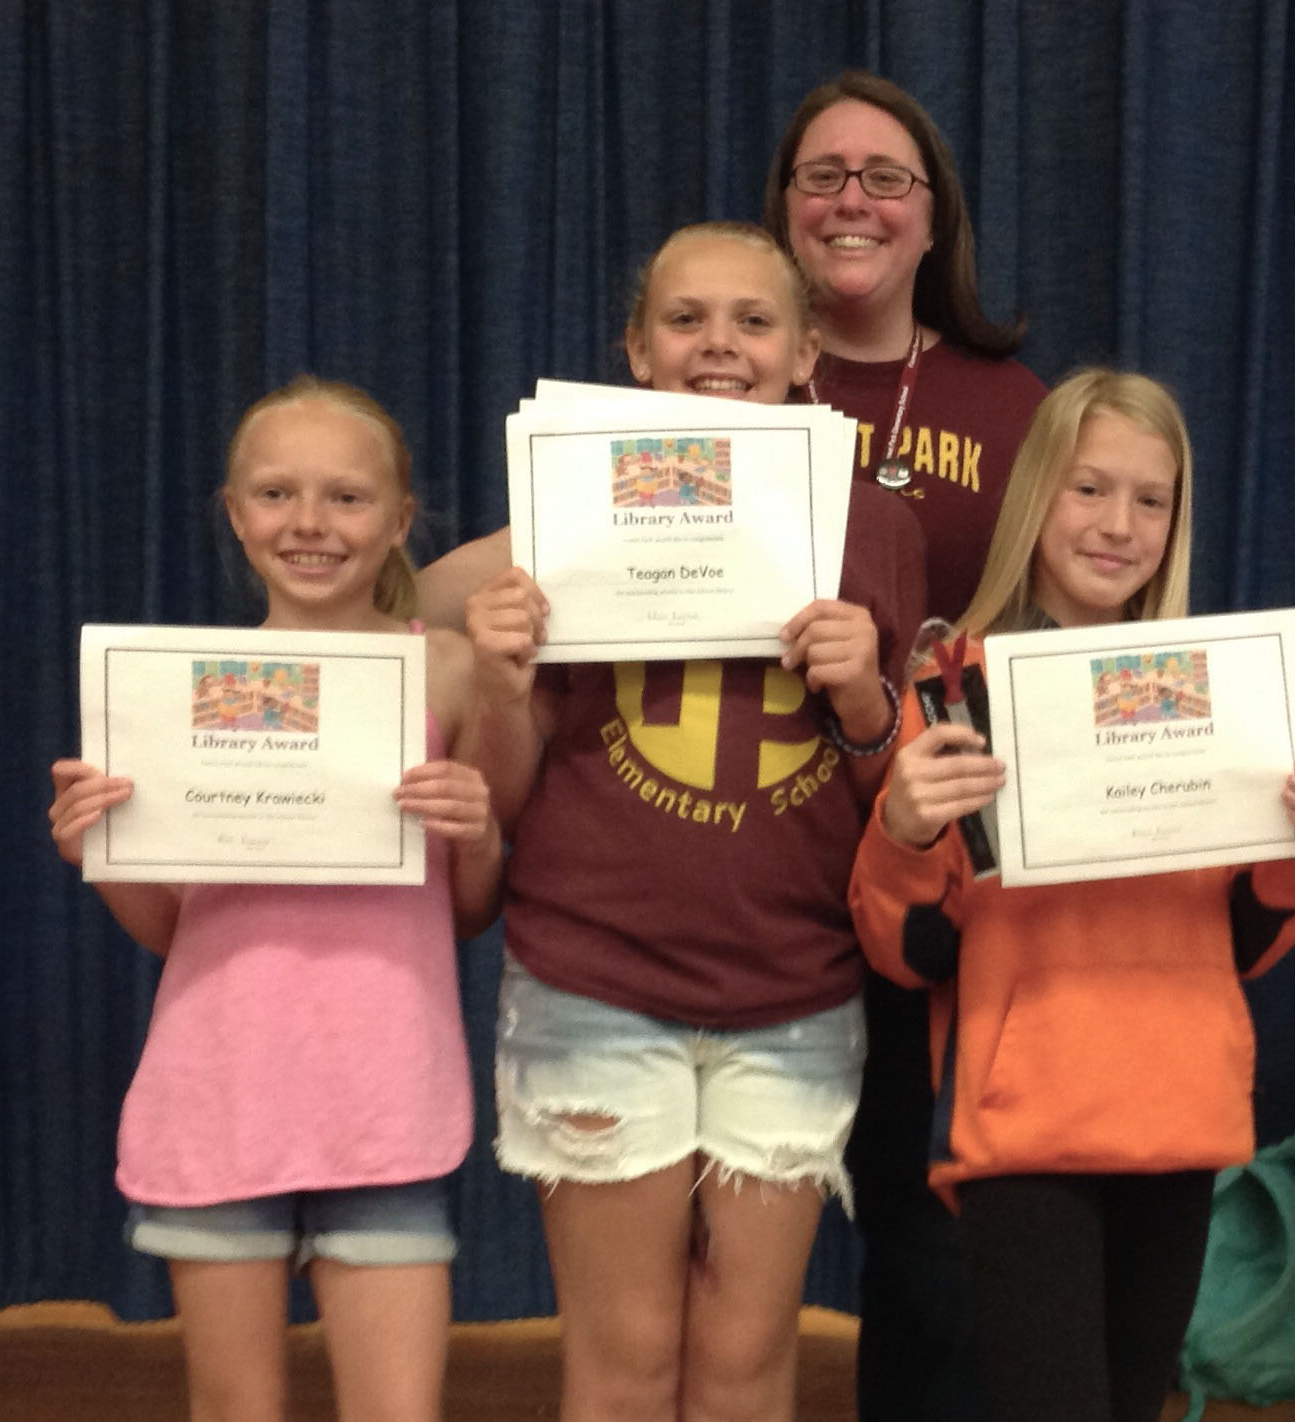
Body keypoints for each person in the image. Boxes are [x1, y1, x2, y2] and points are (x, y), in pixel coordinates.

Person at [467, 221, 926, 1422]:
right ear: (637, 348)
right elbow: (509, 797)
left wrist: (868, 693)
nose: (719, 343)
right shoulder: (566, 503)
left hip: (796, 993)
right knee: (623, 1359)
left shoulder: (876, 526)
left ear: (805, 352)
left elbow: (898, 810)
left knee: (742, 1359)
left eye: (753, 319)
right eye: (685, 318)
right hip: (594, 978)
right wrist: (504, 690)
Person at [847, 368, 1295, 1422]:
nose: (1118, 524)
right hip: (1025, 1130)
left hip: (1178, 1113)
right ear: (1036, 496)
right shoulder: (961, 692)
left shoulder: (1222, 693)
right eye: (1089, 489)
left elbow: (1239, 941)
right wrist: (903, 833)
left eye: (1150, 498)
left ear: (1177, 521)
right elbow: (912, 953)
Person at [47, 375, 503, 1422]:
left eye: (345, 497)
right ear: (233, 513)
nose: (309, 524)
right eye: (275, 495)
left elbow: (473, 905)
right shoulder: (168, 689)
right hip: (221, 1090)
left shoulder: (448, 676)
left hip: (386, 1093)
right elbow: (170, 930)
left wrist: (475, 829)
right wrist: (101, 851)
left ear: (400, 519)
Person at [761, 70, 1047, 1420]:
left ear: (933, 220)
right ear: (782, 211)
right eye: (822, 175)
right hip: (743, 858)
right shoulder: (717, 384)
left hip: (931, 860)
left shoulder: (1010, 401)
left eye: (885, 177)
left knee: (925, 1231)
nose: (852, 200)